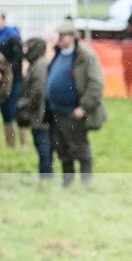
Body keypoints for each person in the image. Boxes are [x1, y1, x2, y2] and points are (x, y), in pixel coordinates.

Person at [45, 18, 107, 186]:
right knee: (62, 149)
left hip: (74, 112)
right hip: (56, 110)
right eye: (60, 35)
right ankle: (68, 182)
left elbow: (96, 84)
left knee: (80, 148)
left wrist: (83, 107)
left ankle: (85, 183)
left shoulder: (85, 56)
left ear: (73, 36)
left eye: (63, 35)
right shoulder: (59, 54)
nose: (60, 38)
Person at [16, 37, 52, 178]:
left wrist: (24, 105)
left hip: (41, 114)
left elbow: (38, 91)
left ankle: (46, 176)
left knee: (43, 147)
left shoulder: (40, 65)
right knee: (42, 146)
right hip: (38, 113)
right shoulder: (37, 64)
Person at [0, 10, 26, 149]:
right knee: (5, 112)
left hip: (14, 80)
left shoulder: (13, 36)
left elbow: (18, 59)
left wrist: (5, 72)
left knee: (16, 109)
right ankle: (11, 145)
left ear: (3, 20)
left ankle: (24, 143)